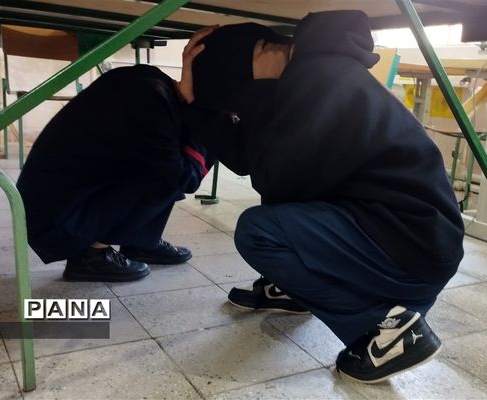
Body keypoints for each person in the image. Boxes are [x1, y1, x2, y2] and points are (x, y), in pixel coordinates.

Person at [179, 11, 464, 384]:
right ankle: (296, 290)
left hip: (409, 251)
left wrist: (259, 92)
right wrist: (194, 104)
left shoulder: (320, 78)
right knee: (284, 203)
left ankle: (387, 334)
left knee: (258, 231)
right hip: (405, 243)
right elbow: (249, 158)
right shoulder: (311, 73)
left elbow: (274, 180)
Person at [17, 27, 217, 282]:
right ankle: (91, 256)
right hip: (56, 221)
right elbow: (186, 179)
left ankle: (140, 241)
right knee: (169, 174)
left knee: (165, 164)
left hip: (60, 203)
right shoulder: (151, 103)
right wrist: (203, 118)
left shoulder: (150, 82)